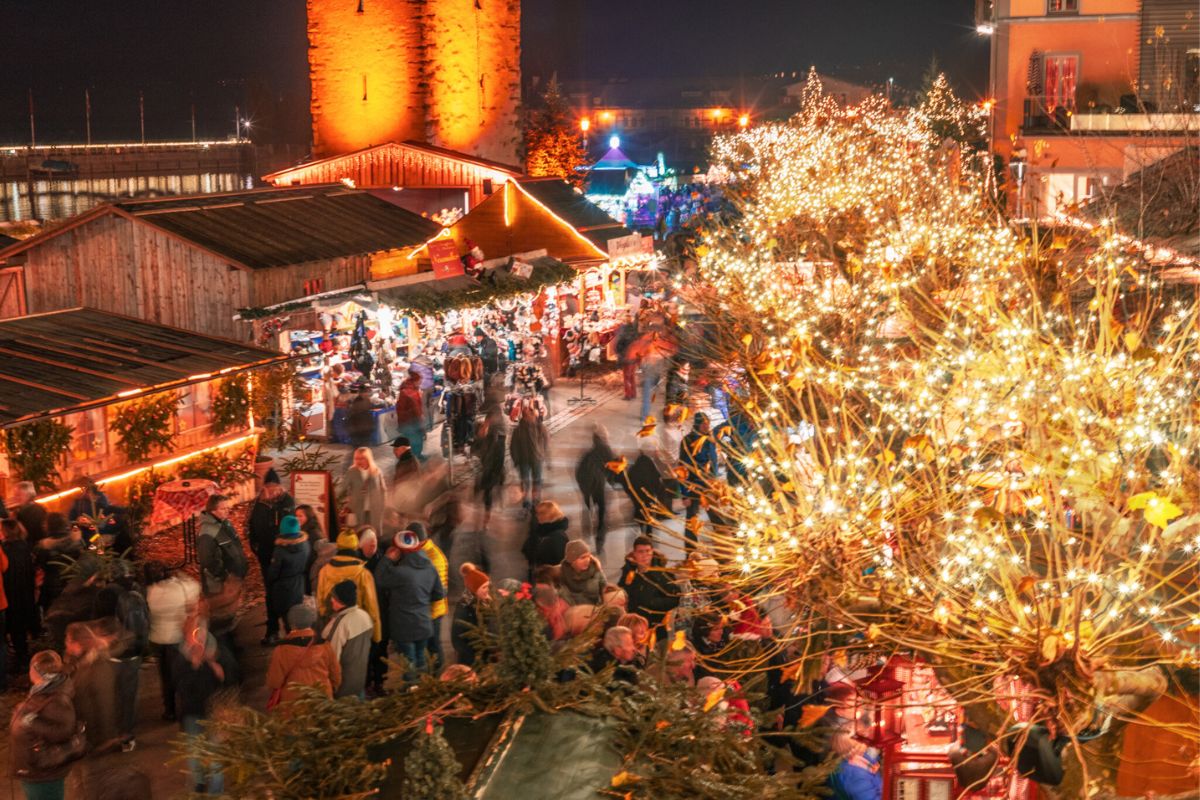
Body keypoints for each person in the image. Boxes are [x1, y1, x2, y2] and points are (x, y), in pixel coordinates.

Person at [373, 529, 445, 682]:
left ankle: (411, 691)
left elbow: (379, 579)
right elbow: (439, 594)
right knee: (420, 659)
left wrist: (387, 559)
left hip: (404, 626)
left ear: (399, 550)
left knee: (409, 663)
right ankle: (421, 692)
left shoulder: (400, 572)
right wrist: (422, 598)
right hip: (424, 622)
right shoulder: (430, 568)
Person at [11, 650, 82, 800]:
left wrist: (31, 721)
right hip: (36, 768)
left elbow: (64, 731)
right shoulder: (45, 690)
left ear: (36, 671)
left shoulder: (57, 699)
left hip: (43, 772)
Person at [175, 623, 226, 795]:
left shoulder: (216, 662)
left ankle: (215, 792)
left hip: (213, 713)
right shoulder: (182, 664)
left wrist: (216, 669)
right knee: (195, 751)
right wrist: (194, 667)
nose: (196, 647)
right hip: (193, 714)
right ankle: (199, 782)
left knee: (214, 755)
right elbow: (181, 689)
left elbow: (229, 682)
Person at [145, 564, 200, 723]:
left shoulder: (152, 592)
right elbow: (196, 587)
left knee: (166, 677)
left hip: (159, 639)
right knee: (182, 675)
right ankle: (186, 708)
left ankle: (169, 710)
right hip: (178, 637)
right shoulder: (183, 588)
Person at [266, 604, 341, 712]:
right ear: (311, 622)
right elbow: (336, 675)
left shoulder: (282, 650)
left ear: (291, 624)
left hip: (293, 704)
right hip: (322, 700)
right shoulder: (325, 645)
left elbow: (274, 682)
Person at [315, 531, 382, 643]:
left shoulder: (325, 571)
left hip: (332, 623)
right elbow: (372, 607)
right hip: (358, 626)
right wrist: (376, 636)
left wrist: (326, 619)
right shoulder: (363, 574)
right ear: (356, 546)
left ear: (338, 546)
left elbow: (321, 601)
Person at [64, 622, 120, 755]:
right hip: (89, 735)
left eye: (68, 639)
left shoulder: (98, 667)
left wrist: (103, 739)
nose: (65, 643)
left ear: (78, 643)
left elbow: (104, 705)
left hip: (96, 739)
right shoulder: (78, 661)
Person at [322, 581, 374, 699]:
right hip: (360, 678)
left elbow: (332, 658)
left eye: (334, 598)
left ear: (342, 601)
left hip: (343, 685)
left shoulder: (341, 624)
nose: (331, 600)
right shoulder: (364, 615)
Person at [263, 516, 310, 645]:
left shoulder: (280, 550)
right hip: (299, 583)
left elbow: (274, 572)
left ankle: (291, 645)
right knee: (296, 615)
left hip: (283, 588)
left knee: (286, 617)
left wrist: (269, 581)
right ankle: (299, 640)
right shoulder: (305, 544)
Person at [619, 536, 679, 630]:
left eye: (647, 551)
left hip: (656, 625)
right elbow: (622, 592)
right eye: (641, 552)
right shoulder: (628, 573)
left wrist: (652, 602)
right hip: (634, 625)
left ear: (652, 552)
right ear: (634, 554)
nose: (645, 555)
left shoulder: (663, 574)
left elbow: (674, 599)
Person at [246, 470, 295, 585]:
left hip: (281, 548)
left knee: (281, 580)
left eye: (274, 487)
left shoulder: (287, 501)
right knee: (268, 579)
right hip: (264, 549)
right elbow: (251, 524)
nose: (272, 491)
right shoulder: (257, 503)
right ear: (264, 488)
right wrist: (254, 544)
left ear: (280, 487)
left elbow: (290, 524)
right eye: (269, 487)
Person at [679, 412, 718, 551]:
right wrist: (685, 493)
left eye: (708, 424)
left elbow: (714, 463)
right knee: (692, 520)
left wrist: (715, 481)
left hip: (710, 485)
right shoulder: (688, 441)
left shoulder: (709, 440)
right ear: (697, 424)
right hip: (693, 486)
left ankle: (723, 547)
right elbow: (682, 467)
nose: (707, 426)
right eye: (704, 424)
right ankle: (691, 552)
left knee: (716, 516)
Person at [574, 424, 617, 552]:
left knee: (587, 508)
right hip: (597, 484)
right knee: (602, 511)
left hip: (585, 483)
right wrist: (613, 482)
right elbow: (613, 467)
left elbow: (579, 470)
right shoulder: (606, 449)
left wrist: (582, 487)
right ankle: (599, 542)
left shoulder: (589, 451)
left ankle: (585, 537)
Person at [412, 522, 449, 670]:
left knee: (433, 645)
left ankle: (436, 676)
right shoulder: (423, 553)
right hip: (425, 609)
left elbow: (438, 591)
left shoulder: (434, 557)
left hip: (432, 611)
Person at [196, 495, 248, 599]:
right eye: (223, 509)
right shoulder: (207, 532)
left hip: (232, 581)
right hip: (219, 587)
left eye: (228, 508)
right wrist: (224, 576)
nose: (227, 511)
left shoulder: (225, 523)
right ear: (213, 511)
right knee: (221, 613)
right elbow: (207, 560)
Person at [3, 518, 37, 672]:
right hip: (25, 591)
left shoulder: (5, 550)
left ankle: (20, 659)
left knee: (15, 626)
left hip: (10, 593)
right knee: (21, 625)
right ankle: (23, 655)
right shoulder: (25, 546)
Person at [509, 395, 549, 511]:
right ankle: (529, 503)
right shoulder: (521, 430)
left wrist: (542, 454)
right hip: (527, 460)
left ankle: (533, 503)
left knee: (532, 481)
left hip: (531, 459)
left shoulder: (537, 427)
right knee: (529, 482)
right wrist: (517, 460)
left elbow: (546, 441)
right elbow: (513, 447)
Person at [473, 410, 507, 528]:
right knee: (482, 494)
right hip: (484, 472)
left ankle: (486, 520)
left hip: (493, 471)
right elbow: (474, 453)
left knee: (490, 495)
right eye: (482, 428)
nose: (483, 430)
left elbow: (500, 455)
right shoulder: (478, 439)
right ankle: (480, 515)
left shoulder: (495, 438)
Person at [451, 563, 489, 667]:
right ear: (475, 589)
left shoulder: (484, 602)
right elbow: (457, 637)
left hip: (484, 654)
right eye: (484, 587)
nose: (488, 590)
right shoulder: (464, 608)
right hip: (470, 658)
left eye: (488, 586)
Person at [829, 731, 883, 800]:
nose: (867, 737)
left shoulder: (860, 755)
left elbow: (872, 760)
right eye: (862, 739)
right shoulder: (855, 777)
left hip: (880, 786)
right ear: (853, 750)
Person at [522, 501, 570, 578]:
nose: (538, 516)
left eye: (542, 513)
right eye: (537, 513)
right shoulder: (539, 533)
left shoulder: (558, 536)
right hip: (538, 575)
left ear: (551, 515)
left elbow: (560, 561)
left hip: (550, 578)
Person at [344, 447, 387, 528]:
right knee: (358, 533)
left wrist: (382, 506)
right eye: (357, 458)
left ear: (368, 459)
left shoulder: (377, 471)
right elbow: (342, 487)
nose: (359, 461)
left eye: (362, 458)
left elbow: (383, 490)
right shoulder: (352, 472)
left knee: (373, 533)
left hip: (374, 509)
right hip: (357, 509)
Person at [558, 539, 607, 606]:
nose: (587, 560)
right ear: (572, 560)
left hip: (596, 611)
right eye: (582, 557)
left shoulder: (595, 570)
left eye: (588, 556)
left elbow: (606, 590)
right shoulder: (562, 574)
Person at [394, 371, 427, 462]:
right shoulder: (410, 392)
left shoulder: (410, 389)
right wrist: (420, 418)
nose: (421, 382)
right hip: (411, 421)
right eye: (420, 381)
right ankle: (414, 458)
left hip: (409, 420)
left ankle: (415, 457)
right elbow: (415, 408)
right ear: (415, 380)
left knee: (413, 440)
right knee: (415, 440)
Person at [613, 311, 640, 400]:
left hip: (626, 356)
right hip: (634, 356)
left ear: (624, 320)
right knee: (631, 375)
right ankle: (633, 393)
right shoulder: (633, 329)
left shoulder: (623, 331)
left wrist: (617, 352)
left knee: (627, 376)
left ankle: (628, 394)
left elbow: (618, 343)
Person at [346, 384, 376, 450]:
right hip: (359, 428)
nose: (366, 394)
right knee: (360, 446)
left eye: (366, 392)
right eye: (365, 392)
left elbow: (369, 411)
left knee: (364, 446)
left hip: (365, 428)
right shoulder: (357, 401)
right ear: (361, 393)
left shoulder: (366, 400)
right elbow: (353, 415)